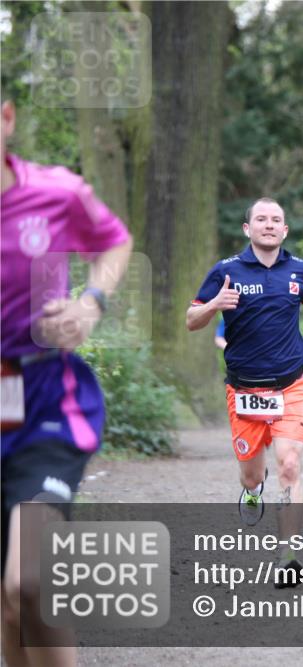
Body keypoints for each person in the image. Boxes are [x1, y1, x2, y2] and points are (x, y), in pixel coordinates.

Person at [1, 99, 133, 667]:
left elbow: (115, 241)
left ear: (7, 118)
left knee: (29, 581)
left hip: (46, 402)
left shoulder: (57, 191)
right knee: (8, 605)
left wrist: (89, 304)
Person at [186, 197, 303, 586]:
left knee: (289, 464)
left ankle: (289, 557)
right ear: (247, 228)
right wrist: (214, 303)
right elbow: (191, 319)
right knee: (252, 477)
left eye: (276, 220)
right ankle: (253, 492)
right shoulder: (226, 270)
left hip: (291, 384)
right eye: (261, 219)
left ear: (284, 229)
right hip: (244, 388)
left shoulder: (300, 269)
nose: (269, 225)